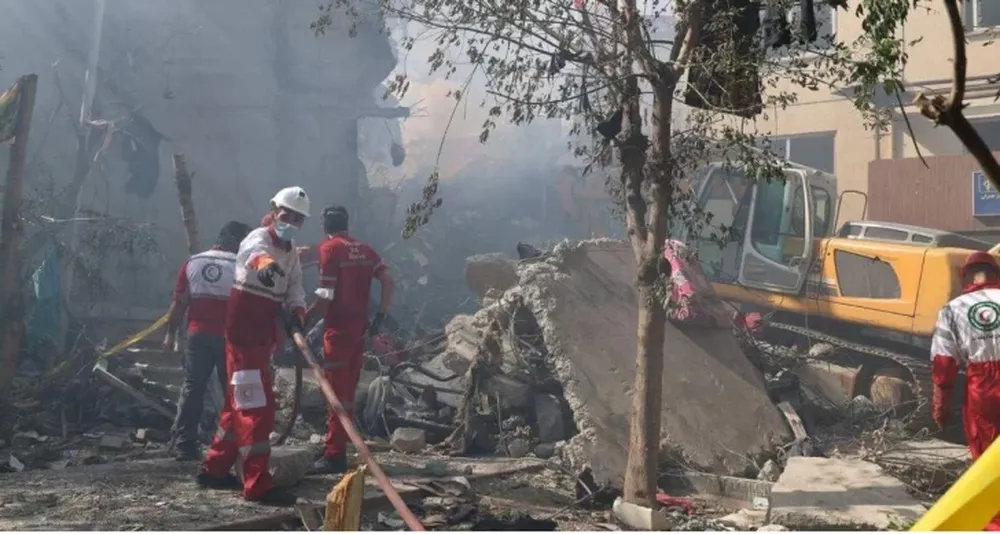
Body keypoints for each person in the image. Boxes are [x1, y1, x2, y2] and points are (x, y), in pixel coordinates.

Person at [197, 186, 310, 506]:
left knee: (237, 406)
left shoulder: (290, 252)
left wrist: (297, 314)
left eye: (298, 219)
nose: (291, 222)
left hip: (262, 339)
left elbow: (295, 289)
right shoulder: (257, 238)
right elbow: (255, 257)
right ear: (274, 212)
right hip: (243, 336)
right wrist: (269, 269)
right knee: (255, 410)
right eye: (287, 215)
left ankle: (215, 469)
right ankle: (257, 484)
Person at [307, 205, 394, 474]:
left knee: (335, 394)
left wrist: (304, 317)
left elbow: (325, 295)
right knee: (347, 394)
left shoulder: (329, 248)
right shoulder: (365, 249)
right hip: (359, 331)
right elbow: (388, 280)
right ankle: (338, 446)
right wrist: (380, 315)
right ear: (347, 223)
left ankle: (335, 454)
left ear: (324, 225)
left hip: (337, 332)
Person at [165, 221, 252, 462]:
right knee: (233, 390)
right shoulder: (242, 266)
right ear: (237, 241)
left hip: (197, 335)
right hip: (230, 338)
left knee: (193, 387)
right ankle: (235, 445)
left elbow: (179, 304)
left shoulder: (193, 262)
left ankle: (184, 444)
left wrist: (170, 335)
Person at [931, 251, 1000, 531]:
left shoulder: (952, 309)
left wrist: (941, 408)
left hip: (982, 389)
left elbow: (943, 365)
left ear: (966, 278)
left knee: (987, 459)